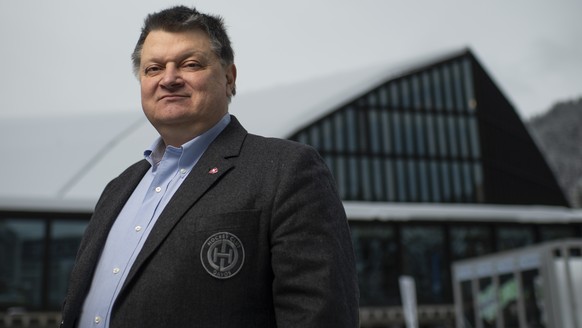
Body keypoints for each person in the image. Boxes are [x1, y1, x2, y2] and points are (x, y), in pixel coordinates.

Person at [60, 5, 359, 328]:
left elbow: (319, 316)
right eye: (153, 69)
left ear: (229, 78)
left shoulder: (285, 170)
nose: (169, 79)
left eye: (190, 64)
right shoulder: (118, 188)